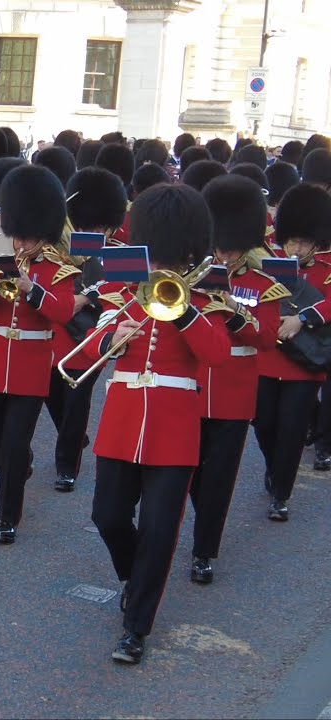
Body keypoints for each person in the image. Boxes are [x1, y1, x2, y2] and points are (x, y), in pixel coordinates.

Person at [83, 184, 229, 664]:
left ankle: (136, 628)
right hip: (123, 416)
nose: (162, 265)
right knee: (107, 515)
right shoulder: (121, 287)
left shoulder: (206, 293)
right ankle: (133, 577)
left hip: (174, 426)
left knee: (161, 531)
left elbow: (217, 355)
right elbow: (86, 350)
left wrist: (184, 310)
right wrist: (111, 338)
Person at [0, 165, 77, 543]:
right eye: (16, 236)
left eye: (25, 237)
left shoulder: (59, 271)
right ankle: (17, 472)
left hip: (32, 362)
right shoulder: (1, 261)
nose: (18, 244)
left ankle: (8, 514)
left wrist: (32, 290)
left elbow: (63, 312)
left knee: (15, 443)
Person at [190, 175, 284, 584]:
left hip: (233, 391)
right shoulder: (191, 277)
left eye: (230, 248)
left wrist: (231, 310)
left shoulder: (263, 286)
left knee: (219, 477)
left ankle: (204, 551)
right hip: (193, 386)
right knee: (189, 472)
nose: (224, 253)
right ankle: (199, 523)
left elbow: (266, 338)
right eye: (219, 245)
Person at [46, 167, 128, 492]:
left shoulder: (118, 252)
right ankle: (75, 437)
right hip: (58, 334)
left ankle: (66, 466)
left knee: (77, 404)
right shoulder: (61, 244)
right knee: (53, 398)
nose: (101, 231)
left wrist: (90, 295)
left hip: (93, 335)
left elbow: (126, 290)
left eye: (104, 227)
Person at [254, 184, 331, 521]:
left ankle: (281, 493)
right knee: (264, 423)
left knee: (293, 429)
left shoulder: (326, 267)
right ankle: (274, 468)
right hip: (268, 357)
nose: (296, 248)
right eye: (292, 241)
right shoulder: (268, 259)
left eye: (303, 242)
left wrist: (302, 318)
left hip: (304, 363)